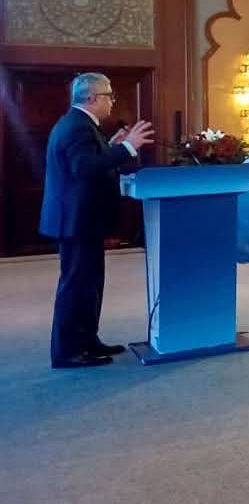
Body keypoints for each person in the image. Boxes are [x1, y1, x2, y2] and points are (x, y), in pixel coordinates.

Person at [42, 72, 154, 369]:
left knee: (90, 284)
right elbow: (84, 168)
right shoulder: (78, 127)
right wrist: (127, 148)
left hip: (83, 220)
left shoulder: (81, 124)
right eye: (109, 96)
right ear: (92, 98)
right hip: (76, 221)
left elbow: (90, 159)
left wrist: (110, 145)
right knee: (77, 286)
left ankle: (87, 340)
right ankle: (67, 352)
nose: (112, 101)